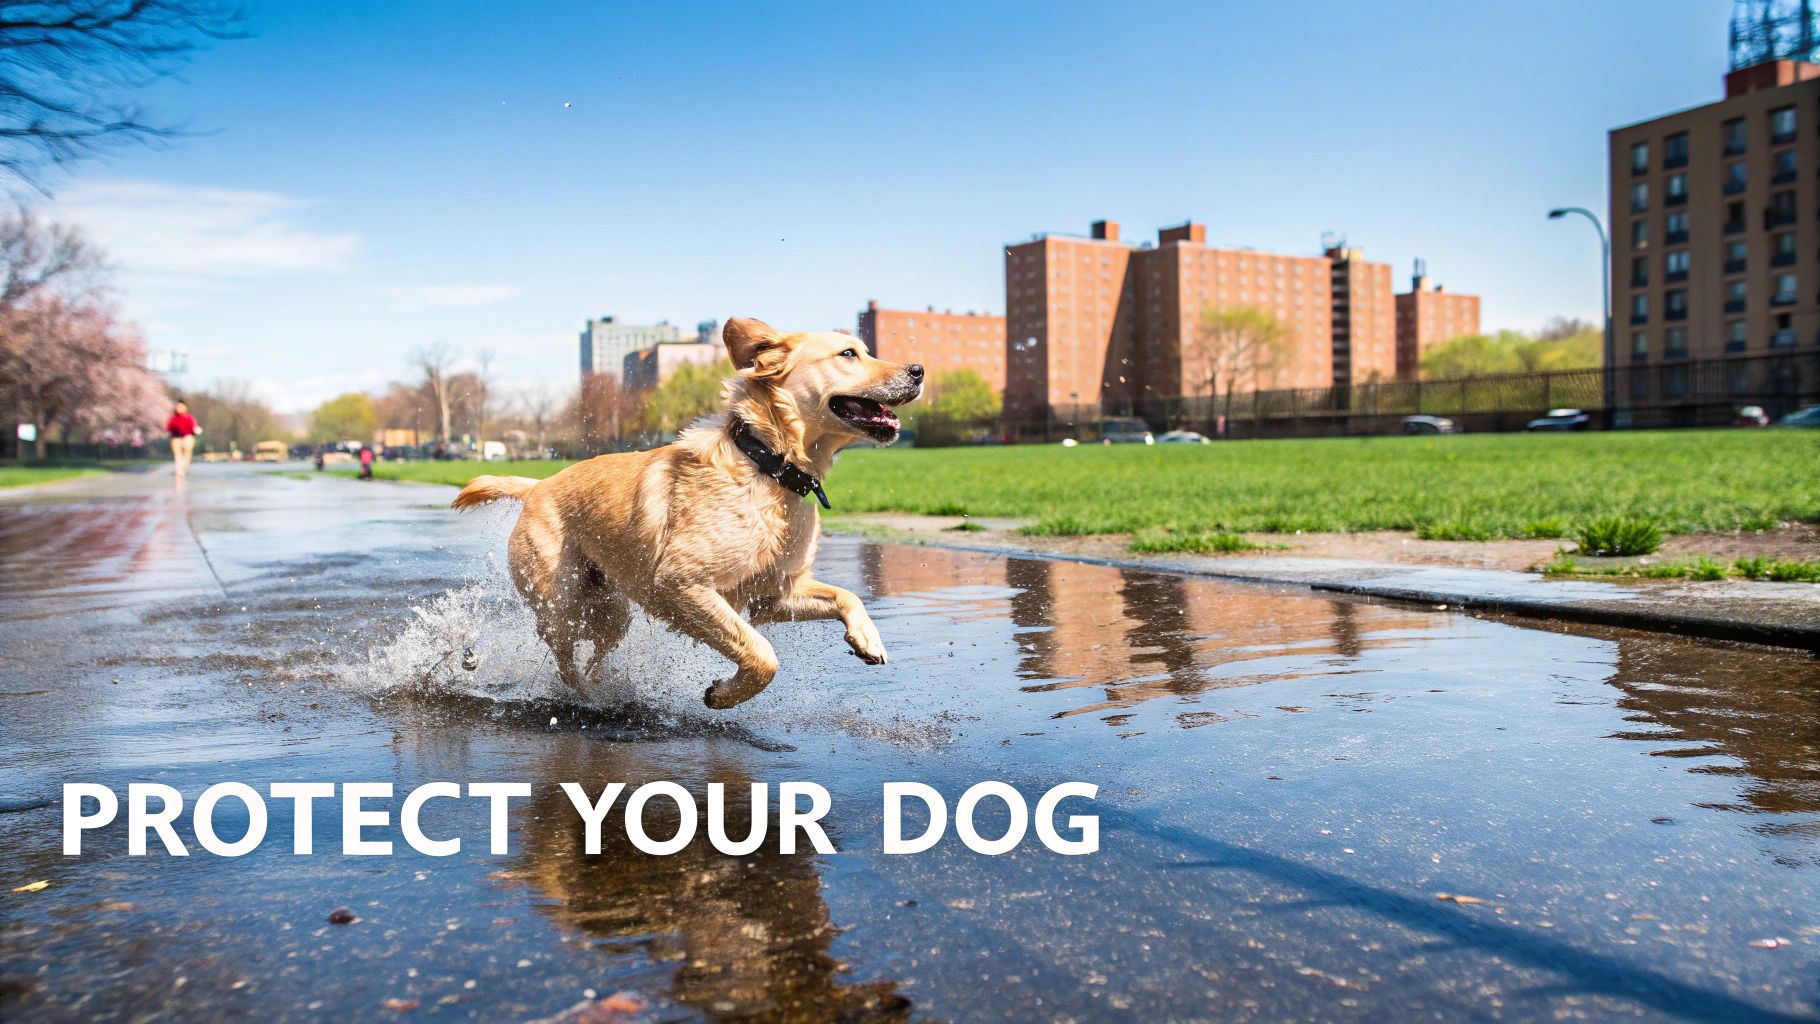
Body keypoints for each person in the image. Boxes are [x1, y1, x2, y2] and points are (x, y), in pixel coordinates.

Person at [164, 400, 201, 478]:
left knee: (188, 445)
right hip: (176, 437)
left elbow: (193, 428)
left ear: (185, 407)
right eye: (178, 406)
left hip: (187, 436)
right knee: (177, 452)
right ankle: (179, 469)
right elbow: (168, 427)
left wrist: (196, 430)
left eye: (181, 406)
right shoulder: (173, 418)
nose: (179, 408)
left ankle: (184, 467)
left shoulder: (189, 417)